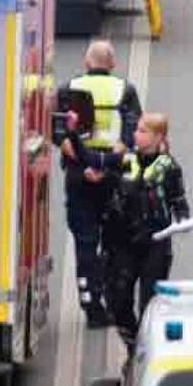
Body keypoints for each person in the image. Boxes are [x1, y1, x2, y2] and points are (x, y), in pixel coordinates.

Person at [61, 41, 142, 321]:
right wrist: (105, 169)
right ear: (113, 64)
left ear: (86, 62)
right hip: (113, 177)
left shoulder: (69, 88)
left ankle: (90, 304)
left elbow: (61, 137)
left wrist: (86, 166)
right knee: (114, 241)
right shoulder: (125, 91)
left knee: (85, 242)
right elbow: (132, 138)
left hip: (78, 176)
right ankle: (112, 297)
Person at [101, 113, 192, 350]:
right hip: (123, 241)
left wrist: (183, 221)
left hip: (155, 243)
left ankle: (142, 352)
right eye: (137, 130)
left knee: (149, 305)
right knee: (118, 302)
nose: (136, 135)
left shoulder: (169, 167)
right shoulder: (124, 159)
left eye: (142, 131)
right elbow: (103, 175)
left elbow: (179, 201)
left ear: (158, 136)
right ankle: (132, 344)